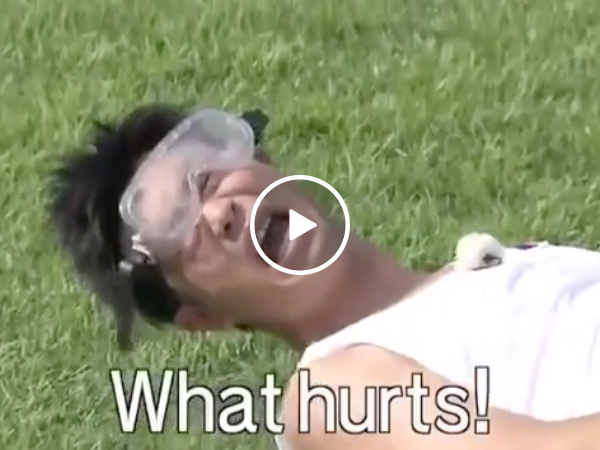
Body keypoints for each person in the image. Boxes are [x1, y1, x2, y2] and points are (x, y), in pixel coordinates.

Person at [48, 103, 600, 450]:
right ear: (203, 316)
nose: (218, 215)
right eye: (180, 230)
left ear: (264, 161)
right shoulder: (333, 393)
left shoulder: (511, 263)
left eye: (208, 180)